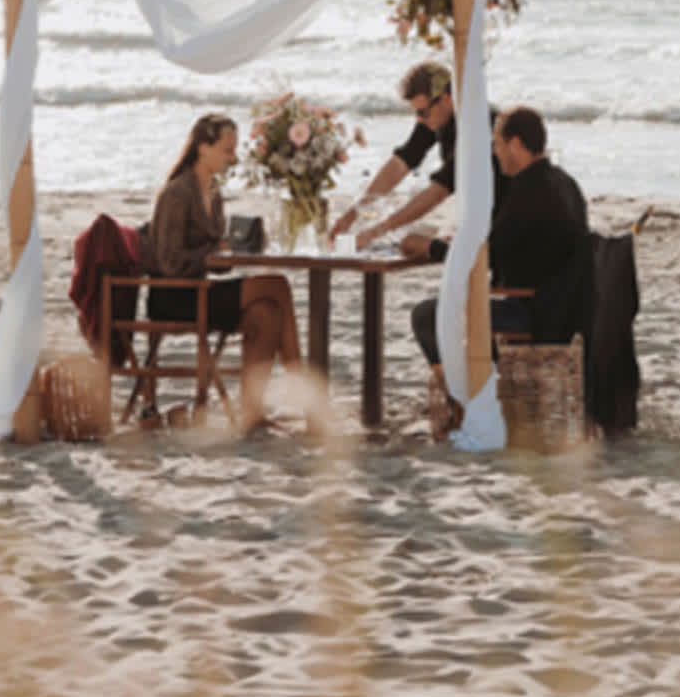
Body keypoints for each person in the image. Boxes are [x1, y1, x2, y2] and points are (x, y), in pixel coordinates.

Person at [145, 113, 302, 433]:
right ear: (203, 148)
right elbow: (169, 261)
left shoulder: (213, 191)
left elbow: (213, 255)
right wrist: (213, 255)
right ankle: (301, 380)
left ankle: (252, 413)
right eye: (227, 149)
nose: (232, 157)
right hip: (175, 296)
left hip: (201, 290)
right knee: (277, 284)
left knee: (267, 313)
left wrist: (234, 252)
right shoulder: (178, 193)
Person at [409, 105, 594, 376]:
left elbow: (483, 259)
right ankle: (489, 387)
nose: (494, 153)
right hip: (569, 308)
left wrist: (429, 246)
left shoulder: (527, 191)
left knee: (426, 314)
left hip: (538, 312)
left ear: (515, 144)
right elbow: (514, 243)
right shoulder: (565, 183)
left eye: (496, 144)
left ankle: (455, 394)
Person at [330, 61, 505, 251]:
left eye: (423, 112)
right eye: (415, 113)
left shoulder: (474, 125)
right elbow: (401, 163)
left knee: (410, 242)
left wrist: (377, 231)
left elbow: (439, 190)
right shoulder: (439, 117)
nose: (419, 119)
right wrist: (353, 213)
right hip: (482, 222)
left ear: (446, 99)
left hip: (508, 226)